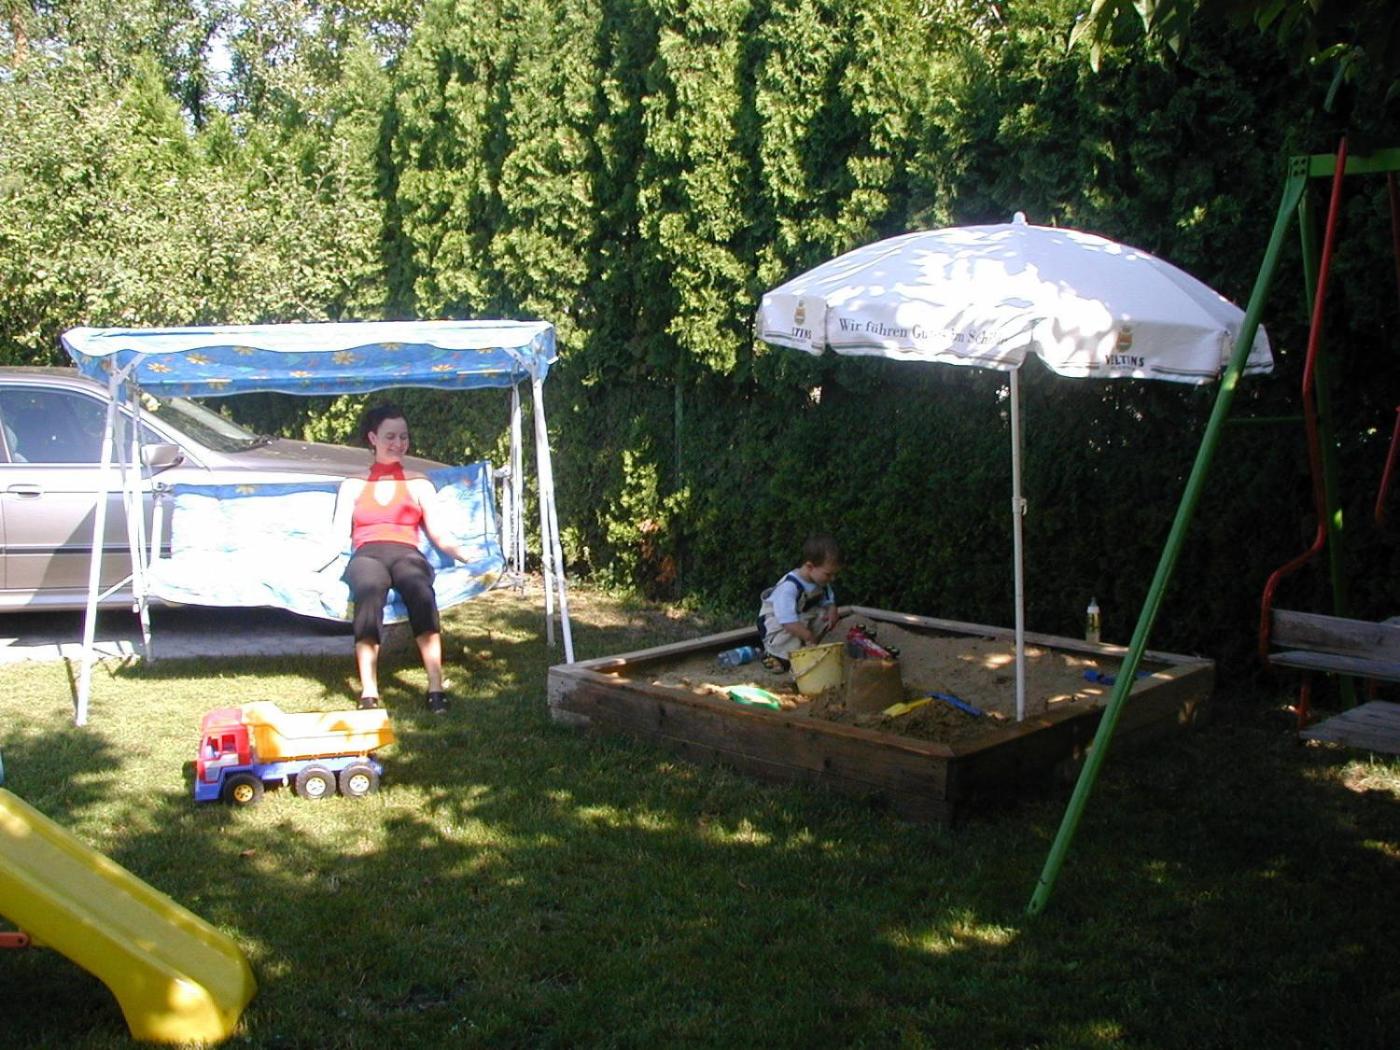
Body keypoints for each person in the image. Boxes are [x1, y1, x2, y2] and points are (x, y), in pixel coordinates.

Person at [324, 403, 470, 714]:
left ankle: (435, 687)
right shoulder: (353, 485)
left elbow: (439, 532)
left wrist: (467, 555)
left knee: (420, 590)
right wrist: (313, 568)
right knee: (369, 591)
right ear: (372, 438)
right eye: (390, 436)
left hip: (406, 554)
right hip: (367, 554)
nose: (398, 443)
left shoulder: (419, 483)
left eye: (403, 437)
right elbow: (337, 536)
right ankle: (369, 691)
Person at [757, 534, 841, 672]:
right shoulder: (789, 587)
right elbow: (787, 621)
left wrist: (832, 610)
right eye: (828, 574)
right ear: (810, 566)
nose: (832, 579)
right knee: (795, 630)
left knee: (823, 616)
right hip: (778, 624)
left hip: (800, 618)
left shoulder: (820, 582)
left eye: (834, 574)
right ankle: (776, 655)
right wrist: (808, 636)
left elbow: (829, 602)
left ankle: (805, 650)